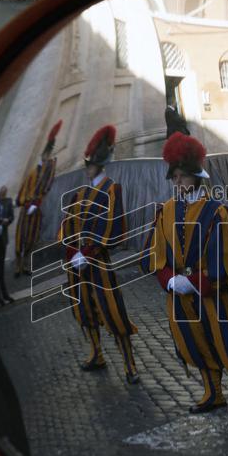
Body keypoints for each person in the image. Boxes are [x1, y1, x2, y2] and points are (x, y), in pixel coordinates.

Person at [140, 132, 228, 417]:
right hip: (181, 298)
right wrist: (171, 280)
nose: (177, 182)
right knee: (195, 344)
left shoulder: (219, 211)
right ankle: (214, 394)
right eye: (174, 177)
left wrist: (196, 282)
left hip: (215, 296)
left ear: (196, 176)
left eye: (182, 176)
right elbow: (156, 255)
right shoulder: (165, 211)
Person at [58, 125, 141, 384]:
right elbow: (68, 225)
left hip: (98, 263)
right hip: (76, 265)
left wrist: (88, 252)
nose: (87, 167)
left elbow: (114, 226)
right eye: (87, 163)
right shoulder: (78, 194)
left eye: (91, 163)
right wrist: (72, 252)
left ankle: (130, 365)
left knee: (113, 312)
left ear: (101, 164)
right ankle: (96, 354)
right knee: (84, 311)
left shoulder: (111, 190)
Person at [13, 120, 60, 278]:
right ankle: (18, 266)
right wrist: (25, 201)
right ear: (43, 156)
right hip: (26, 209)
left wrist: (37, 203)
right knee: (21, 238)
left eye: (49, 156)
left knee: (32, 240)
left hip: (36, 209)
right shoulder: (33, 172)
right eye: (46, 156)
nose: (48, 158)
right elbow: (25, 189)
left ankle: (26, 265)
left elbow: (46, 186)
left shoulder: (47, 169)